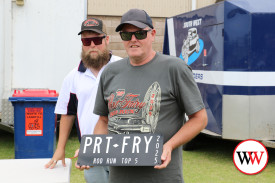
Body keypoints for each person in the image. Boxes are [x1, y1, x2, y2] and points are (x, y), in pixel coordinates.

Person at [79, 9, 208, 183]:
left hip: (162, 176)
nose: (133, 40)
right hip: (119, 177)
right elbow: (103, 121)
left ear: (152, 34)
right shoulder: (110, 72)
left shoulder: (175, 68)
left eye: (140, 33)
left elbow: (199, 119)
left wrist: (169, 146)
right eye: (126, 35)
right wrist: (92, 149)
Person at [44, 17, 122, 183]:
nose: (92, 45)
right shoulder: (72, 77)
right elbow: (68, 113)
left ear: (107, 40)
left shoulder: (122, 68)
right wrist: (60, 148)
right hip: (91, 151)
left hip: (122, 148)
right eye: (87, 41)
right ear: (82, 44)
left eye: (96, 39)